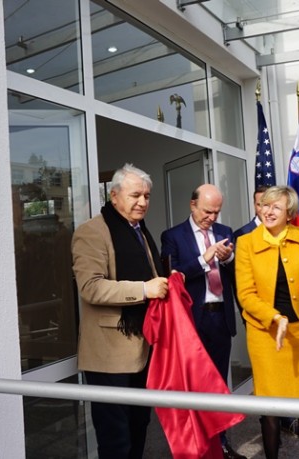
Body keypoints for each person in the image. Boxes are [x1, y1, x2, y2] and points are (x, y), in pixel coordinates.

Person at [71, 163, 169, 459]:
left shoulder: (139, 230)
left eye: (147, 196)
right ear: (114, 196)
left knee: (139, 427)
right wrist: (143, 289)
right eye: (135, 195)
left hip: (143, 349)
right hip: (108, 356)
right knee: (116, 442)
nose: (142, 202)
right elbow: (91, 287)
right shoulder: (91, 233)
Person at [234, 185, 299, 459]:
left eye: (276, 206)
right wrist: (274, 317)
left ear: (290, 213)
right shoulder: (246, 243)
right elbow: (246, 294)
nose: (268, 211)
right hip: (264, 334)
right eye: (264, 205)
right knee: (269, 404)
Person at [160, 184, 246, 459]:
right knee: (195, 385)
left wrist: (229, 258)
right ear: (192, 205)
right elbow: (173, 276)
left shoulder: (224, 233)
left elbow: (238, 272)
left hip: (220, 317)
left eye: (217, 212)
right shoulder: (173, 236)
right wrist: (203, 259)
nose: (212, 218)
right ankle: (196, 444)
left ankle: (219, 443)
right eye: (207, 212)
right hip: (191, 322)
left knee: (219, 383)